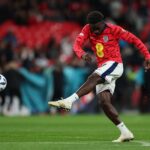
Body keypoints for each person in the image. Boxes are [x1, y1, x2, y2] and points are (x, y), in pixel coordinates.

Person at [48, 11, 150, 142]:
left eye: (97, 26)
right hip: (103, 66)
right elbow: (76, 45)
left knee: (93, 77)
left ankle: (68, 101)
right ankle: (125, 132)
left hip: (114, 64)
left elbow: (134, 40)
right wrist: (82, 54)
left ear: (103, 23)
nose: (94, 30)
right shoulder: (87, 29)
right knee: (104, 102)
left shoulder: (114, 29)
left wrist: (147, 55)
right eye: (92, 27)